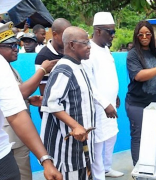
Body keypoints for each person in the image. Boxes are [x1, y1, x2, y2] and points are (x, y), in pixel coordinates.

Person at [0, 2, 62, 180]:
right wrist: (42, 70)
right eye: (11, 46)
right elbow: (20, 93)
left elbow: (15, 110)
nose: (15, 49)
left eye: (15, 46)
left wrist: (45, 159)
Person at [40, 26, 94, 180]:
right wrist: (75, 125)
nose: (89, 46)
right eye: (85, 43)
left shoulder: (78, 66)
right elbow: (51, 103)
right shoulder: (64, 69)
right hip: (68, 150)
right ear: (71, 45)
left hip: (81, 147)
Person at [126, 20, 156, 166]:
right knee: (138, 137)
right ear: (136, 36)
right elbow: (139, 76)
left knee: (151, 137)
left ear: (152, 35)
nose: (144, 37)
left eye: (147, 34)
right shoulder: (133, 54)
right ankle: (138, 170)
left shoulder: (155, 53)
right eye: (141, 34)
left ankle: (148, 165)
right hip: (137, 103)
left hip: (154, 104)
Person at [81, 12, 124, 179]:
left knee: (111, 137)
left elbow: (108, 75)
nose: (113, 36)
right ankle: (99, 176)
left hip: (111, 103)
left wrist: (115, 95)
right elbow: (89, 84)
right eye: (110, 32)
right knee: (98, 143)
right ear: (98, 31)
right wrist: (105, 103)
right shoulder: (88, 52)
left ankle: (107, 168)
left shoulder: (106, 49)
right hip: (99, 108)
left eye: (114, 32)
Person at [35, 18, 71, 97]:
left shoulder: (69, 51)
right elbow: (44, 91)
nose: (68, 40)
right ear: (55, 35)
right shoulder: (43, 56)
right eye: (65, 36)